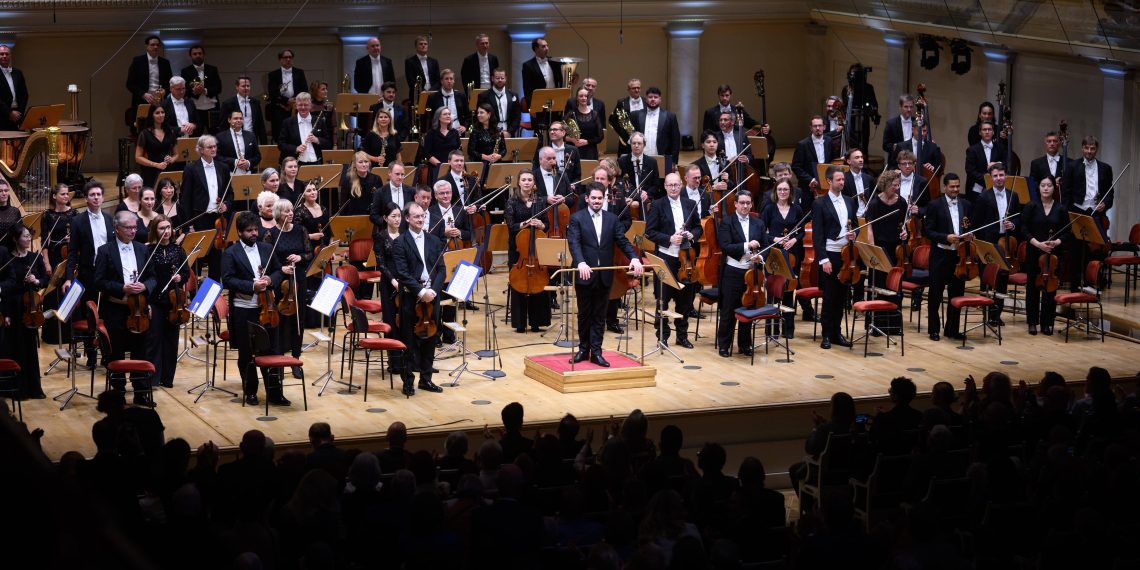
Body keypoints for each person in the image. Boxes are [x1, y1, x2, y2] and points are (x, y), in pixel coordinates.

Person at [567, 184, 643, 367]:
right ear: (587, 199)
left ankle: (597, 352)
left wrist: (634, 258)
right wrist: (581, 263)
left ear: (604, 199)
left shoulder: (612, 219)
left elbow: (622, 241)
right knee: (584, 314)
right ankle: (584, 349)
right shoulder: (577, 218)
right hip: (585, 273)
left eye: (599, 198)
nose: (596, 201)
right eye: (593, 198)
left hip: (605, 274)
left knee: (600, 315)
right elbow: (574, 243)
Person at [221, 211, 288, 406]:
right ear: (240, 232)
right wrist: (252, 286)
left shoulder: (266, 248)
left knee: (272, 350)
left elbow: (278, 270)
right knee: (247, 353)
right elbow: (228, 280)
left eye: (255, 229)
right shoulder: (230, 253)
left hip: (268, 307)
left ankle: (275, 394)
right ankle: (250, 392)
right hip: (244, 310)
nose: (254, 233)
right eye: (249, 231)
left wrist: (270, 279)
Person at [95, 211, 158, 406]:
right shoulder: (105, 250)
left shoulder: (142, 249)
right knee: (117, 351)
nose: (133, 231)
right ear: (117, 229)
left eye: (134, 227)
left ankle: (140, 392)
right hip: (116, 309)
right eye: (128, 227)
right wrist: (121, 288)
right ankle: (118, 393)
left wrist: (145, 286)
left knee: (141, 350)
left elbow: (153, 277)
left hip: (139, 309)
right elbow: (99, 281)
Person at [391, 201, 446, 396]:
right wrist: (421, 293)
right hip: (410, 297)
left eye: (422, 216)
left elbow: (441, 269)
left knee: (430, 338)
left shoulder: (434, 240)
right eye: (416, 216)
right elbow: (403, 274)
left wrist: (433, 292)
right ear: (407, 219)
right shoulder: (400, 242)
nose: (421, 219)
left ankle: (426, 379)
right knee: (409, 340)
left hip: (432, 296)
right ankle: (408, 381)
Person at [645, 172, 702, 349]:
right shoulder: (657, 205)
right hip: (666, 258)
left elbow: (699, 227)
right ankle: (662, 336)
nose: (673, 188)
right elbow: (650, 232)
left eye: (676, 185)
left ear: (681, 185)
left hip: (686, 258)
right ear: (665, 186)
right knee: (663, 298)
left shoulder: (690, 204)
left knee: (685, 299)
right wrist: (669, 238)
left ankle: (682, 336)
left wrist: (692, 235)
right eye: (670, 185)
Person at [65, 181, 114, 368]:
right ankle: (91, 355)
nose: (96, 197)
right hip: (88, 273)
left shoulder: (110, 219)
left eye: (98, 194)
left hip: (108, 274)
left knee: (107, 313)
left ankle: (107, 353)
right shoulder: (78, 221)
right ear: (86, 199)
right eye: (92, 195)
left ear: (102, 197)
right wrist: (69, 278)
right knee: (90, 315)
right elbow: (72, 252)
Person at [717, 190, 771, 357]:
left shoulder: (758, 223)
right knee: (729, 310)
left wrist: (760, 256)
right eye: (742, 203)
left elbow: (766, 246)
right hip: (733, 271)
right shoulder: (727, 222)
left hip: (752, 273)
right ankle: (724, 345)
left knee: (749, 307)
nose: (745, 206)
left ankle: (745, 345)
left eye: (748, 203)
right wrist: (747, 246)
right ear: (735, 204)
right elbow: (725, 246)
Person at [812, 165, 857, 349]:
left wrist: (854, 234)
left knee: (841, 297)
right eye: (838, 179)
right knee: (829, 297)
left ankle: (837, 333)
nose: (842, 182)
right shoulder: (819, 203)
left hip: (846, 254)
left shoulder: (849, 201)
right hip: (830, 254)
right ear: (829, 181)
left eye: (843, 179)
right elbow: (818, 235)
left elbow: (853, 224)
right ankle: (826, 335)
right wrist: (823, 260)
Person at [266, 199, 311, 378]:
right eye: (286, 211)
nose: (290, 214)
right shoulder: (271, 234)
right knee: (281, 320)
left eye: (291, 210)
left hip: (298, 279)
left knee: (297, 321)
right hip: (281, 281)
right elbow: (267, 257)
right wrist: (281, 268)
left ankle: (296, 358)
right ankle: (279, 359)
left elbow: (309, 253)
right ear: (278, 214)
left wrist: (300, 257)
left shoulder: (301, 230)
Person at [924, 173, 972, 341]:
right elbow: (928, 231)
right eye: (952, 186)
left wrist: (969, 235)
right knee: (935, 294)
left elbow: (969, 225)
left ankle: (952, 329)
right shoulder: (934, 205)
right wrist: (946, 237)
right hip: (940, 255)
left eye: (958, 186)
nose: (955, 189)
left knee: (957, 293)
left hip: (958, 257)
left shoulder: (966, 204)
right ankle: (934, 330)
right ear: (945, 187)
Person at [1062, 135, 1113, 290]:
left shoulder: (1105, 168)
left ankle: (1091, 282)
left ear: (1096, 149)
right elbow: (1066, 192)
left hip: (1096, 213)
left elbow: (1110, 192)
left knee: (1094, 252)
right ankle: (1075, 285)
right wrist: (1068, 213)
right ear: (1082, 148)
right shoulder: (1072, 166)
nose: (1090, 151)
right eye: (1087, 148)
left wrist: (1106, 204)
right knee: (1076, 251)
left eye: (1093, 148)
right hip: (1077, 212)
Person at [1, 224, 46, 398]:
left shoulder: (35, 257)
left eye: (29, 236)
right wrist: (5, 313)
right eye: (25, 236)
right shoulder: (8, 259)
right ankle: (17, 389)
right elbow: (8, 284)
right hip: (13, 306)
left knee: (30, 348)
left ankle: (34, 388)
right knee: (15, 346)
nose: (28, 239)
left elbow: (45, 280)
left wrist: (36, 281)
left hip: (31, 308)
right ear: (15, 239)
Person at [972, 162, 1020, 326]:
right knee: (988, 279)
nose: (999, 178)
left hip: (1006, 243)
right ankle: (987, 314)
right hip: (989, 243)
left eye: (1001, 175)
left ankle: (996, 315)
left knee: (1002, 279)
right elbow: (977, 223)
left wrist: (1012, 224)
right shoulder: (983, 197)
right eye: (995, 176)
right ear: (990, 178)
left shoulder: (1013, 195)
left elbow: (1018, 218)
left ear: (1006, 176)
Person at [861, 169, 908, 333]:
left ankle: (893, 326)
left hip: (895, 250)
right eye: (894, 185)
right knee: (878, 286)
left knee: (894, 287)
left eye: (898, 185)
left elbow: (903, 225)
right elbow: (870, 229)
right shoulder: (874, 204)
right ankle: (875, 325)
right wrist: (873, 252)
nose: (897, 187)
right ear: (886, 185)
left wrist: (905, 232)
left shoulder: (902, 203)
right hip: (879, 249)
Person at [504, 169, 551, 333]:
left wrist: (541, 225)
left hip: (536, 251)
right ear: (519, 182)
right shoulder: (512, 202)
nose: (527, 182)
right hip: (519, 251)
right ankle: (520, 323)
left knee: (539, 281)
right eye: (523, 179)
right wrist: (526, 223)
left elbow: (547, 225)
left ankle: (537, 321)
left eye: (530, 180)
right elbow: (511, 226)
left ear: (534, 183)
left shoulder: (539, 202)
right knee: (519, 284)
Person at [1022, 177, 1068, 336]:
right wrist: (1038, 244)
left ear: (1054, 188)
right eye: (1043, 185)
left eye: (1049, 185)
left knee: (1050, 289)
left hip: (1053, 253)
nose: (1046, 188)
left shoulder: (1061, 209)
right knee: (1032, 288)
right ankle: (1032, 322)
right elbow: (1024, 228)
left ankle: (1047, 323)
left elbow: (1067, 232)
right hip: (1034, 251)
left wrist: (1057, 241)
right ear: (1039, 188)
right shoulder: (1031, 206)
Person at [146, 215, 188, 389]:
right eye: (162, 228)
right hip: (155, 301)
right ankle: (153, 378)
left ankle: (168, 378)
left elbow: (186, 272)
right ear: (155, 230)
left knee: (171, 340)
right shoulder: (148, 251)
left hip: (174, 303)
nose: (166, 232)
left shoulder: (178, 250)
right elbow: (146, 276)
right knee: (154, 339)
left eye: (168, 228)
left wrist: (181, 276)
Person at [760, 179, 804, 337]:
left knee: (788, 291)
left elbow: (802, 230)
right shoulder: (769, 209)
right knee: (772, 290)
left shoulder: (797, 209)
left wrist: (794, 240)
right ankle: (771, 329)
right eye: (780, 189)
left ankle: (788, 330)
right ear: (775, 191)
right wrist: (774, 239)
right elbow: (761, 231)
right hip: (774, 254)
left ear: (790, 191)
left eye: (786, 189)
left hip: (792, 253)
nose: (783, 192)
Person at [371, 201, 404, 369]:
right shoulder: (380, 236)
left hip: (404, 281)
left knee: (405, 318)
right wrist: (392, 281)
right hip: (388, 281)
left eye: (399, 216)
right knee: (391, 319)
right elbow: (381, 264)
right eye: (393, 216)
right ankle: (394, 361)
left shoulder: (405, 234)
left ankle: (407, 359)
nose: (397, 219)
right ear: (385, 218)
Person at [791, 115, 837, 214]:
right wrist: (810, 179)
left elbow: (832, 161)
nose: (817, 128)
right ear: (811, 128)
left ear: (824, 127)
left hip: (826, 185)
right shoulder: (802, 144)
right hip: (808, 188)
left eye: (820, 126)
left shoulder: (829, 141)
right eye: (815, 126)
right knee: (808, 213)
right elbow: (796, 166)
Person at [630, 87, 681, 169]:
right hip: (640, 158)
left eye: (656, 97)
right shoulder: (636, 115)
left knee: (662, 181)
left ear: (660, 99)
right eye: (650, 97)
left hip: (664, 158)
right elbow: (631, 137)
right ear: (646, 99)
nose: (653, 99)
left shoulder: (670, 116)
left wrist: (673, 161)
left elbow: (675, 141)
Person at [277, 92, 330, 166]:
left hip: (316, 162)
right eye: (300, 105)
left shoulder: (319, 121)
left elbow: (327, 142)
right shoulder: (287, 122)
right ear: (296, 106)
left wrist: (317, 140)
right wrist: (296, 148)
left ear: (310, 106)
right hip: (296, 165)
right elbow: (281, 144)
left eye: (306, 105)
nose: (303, 107)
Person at [267, 49, 308, 141]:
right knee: (280, 134)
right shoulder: (273, 74)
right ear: (280, 59)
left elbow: (305, 90)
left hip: (296, 108)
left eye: (290, 57)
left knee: (297, 134)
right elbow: (272, 93)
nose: (288, 59)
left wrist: (294, 100)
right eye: (285, 57)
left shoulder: (299, 72)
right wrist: (286, 100)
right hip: (279, 109)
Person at [134, 104, 178, 188]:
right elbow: (138, 157)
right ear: (152, 115)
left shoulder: (170, 132)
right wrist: (156, 164)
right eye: (157, 113)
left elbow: (176, 154)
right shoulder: (145, 133)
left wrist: (171, 159)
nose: (161, 115)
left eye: (162, 112)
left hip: (167, 170)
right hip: (150, 171)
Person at [180, 45, 221, 133]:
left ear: (204, 54)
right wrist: (194, 91)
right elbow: (183, 91)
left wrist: (204, 90)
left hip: (212, 109)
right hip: (195, 109)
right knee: (195, 135)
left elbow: (219, 88)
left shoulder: (213, 69)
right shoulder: (185, 71)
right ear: (190, 56)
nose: (197, 55)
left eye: (200, 53)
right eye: (195, 54)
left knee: (215, 135)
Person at [963, 121, 1007, 202]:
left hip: (997, 188)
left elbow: (1006, 163)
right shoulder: (972, 150)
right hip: (977, 189)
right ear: (980, 132)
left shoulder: (1000, 147)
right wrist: (988, 179)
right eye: (984, 129)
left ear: (993, 132)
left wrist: (997, 164)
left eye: (989, 129)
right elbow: (970, 171)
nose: (987, 132)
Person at [125, 35, 172, 108]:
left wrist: (165, 91)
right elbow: (130, 84)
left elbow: (170, 83)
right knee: (143, 119)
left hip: (160, 101)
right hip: (141, 101)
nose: (155, 47)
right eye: (152, 45)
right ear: (146, 46)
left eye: (157, 45)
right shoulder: (137, 61)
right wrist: (143, 94)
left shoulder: (165, 63)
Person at [218, 75, 266, 145]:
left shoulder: (255, 102)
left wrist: (264, 144)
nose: (246, 88)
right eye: (243, 86)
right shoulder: (228, 103)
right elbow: (223, 126)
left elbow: (260, 124)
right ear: (237, 87)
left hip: (252, 139)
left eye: (248, 86)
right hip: (234, 140)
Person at [533, 121, 582, 186]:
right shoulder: (542, 151)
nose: (552, 132)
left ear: (563, 132)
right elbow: (535, 172)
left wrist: (574, 185)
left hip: (569, 190)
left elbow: (577, 175)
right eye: (550, 130)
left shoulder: (573, 150)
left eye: (555, 130)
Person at [476, 68, 520, 137]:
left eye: (502, 78)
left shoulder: (513, 95)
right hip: (491, 133)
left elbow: (517, 117)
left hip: (509, 132)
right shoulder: (483, 96)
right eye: (497, 78)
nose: (500, 80)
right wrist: (494, 131)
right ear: (492, 78)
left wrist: (510, 132)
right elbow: (481, 117)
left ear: (506, 78)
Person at [617, 132, 661, 201]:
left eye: (639, 143)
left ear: (644, 145)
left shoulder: (652, 162)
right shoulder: (622, 161)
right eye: (634, 143)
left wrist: (647, 193)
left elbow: (656, 184)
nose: (636, 146)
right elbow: (619, 182)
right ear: (630, 145)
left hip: (646, 198)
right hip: (629, 197)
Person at [216, 109, 260, 175]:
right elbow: (217, 157)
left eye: (241, 118)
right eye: (235, 118)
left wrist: (248, 163)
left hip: (248, 173)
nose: (239, 120)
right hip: (229, 173)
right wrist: (235, 161)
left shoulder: (251, 135)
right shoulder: (220, 137)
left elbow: (258, 156)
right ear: (229, 120)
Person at [426, 69, 470, 134]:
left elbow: (468, 115)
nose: (449, 81)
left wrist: (465, 126)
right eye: (446, 79)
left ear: (454, 81)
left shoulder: (461, 96)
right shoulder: (433, 97)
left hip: (458, 130)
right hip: (439, 132)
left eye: (451, 79)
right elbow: (430, 117)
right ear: (441, 81)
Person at [467, 103, 505, 178]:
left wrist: (499, 155)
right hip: (480, 165)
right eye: (478, 113)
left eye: (481, 112)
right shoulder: (475, 131)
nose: (478, 115)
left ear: (489, 114)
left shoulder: (498, 130)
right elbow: (470, 151)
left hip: (495, 164)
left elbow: (504, 149)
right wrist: (486, 157)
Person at [520, 36, 562, 105]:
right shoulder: (528, 65)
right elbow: (527, 88)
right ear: (536, 49)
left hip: (554, 101)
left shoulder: (554, 62)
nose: (547, 48)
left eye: (547, 46)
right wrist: (531, 108)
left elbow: (561, 79)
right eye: (543, 46)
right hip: (538, 103)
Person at [436, 150, 479, 215]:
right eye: (456, 161)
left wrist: (475, 206)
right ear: (449, 162)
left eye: (461, 161)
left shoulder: (471, 179)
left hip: (471, 217)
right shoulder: (442, 181)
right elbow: (440, 204)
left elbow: (478, 199)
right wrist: (462, 209)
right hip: (451, 218)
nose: (459, 163)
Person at [339, 151, 381, 217]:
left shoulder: (376, 179)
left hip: (371, 218)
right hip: (353, 218)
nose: (364, 164)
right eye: (360, 162)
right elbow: (343, 205)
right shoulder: (347, 180)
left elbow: (380, 202)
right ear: (354, 164)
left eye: (366, 162)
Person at [610, 78, 645, 155]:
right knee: (624, 164)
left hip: (644, 140)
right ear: (628, 90)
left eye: (638, 88)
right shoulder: (622, 102)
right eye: (634, 88)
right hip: (626, 141)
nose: (636, 90)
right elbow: (613, 121)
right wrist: (622, 134)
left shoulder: (646, 102)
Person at [0, 44, 29, 131]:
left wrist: (19, 113)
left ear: (10, 56)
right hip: (2, 117)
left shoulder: (18, 73)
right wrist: (9, 113)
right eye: (1, 54)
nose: (4, 56)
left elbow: (24, 95)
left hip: (17, 117)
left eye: (7, 54)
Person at [842, 148, 875, 217]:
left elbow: (872, 199)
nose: (861, 160)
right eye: (857, 158)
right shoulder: (843, 179)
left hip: (867, 217)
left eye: (861, 157)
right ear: (849, 161)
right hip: (851, 217)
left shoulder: (869, 179)